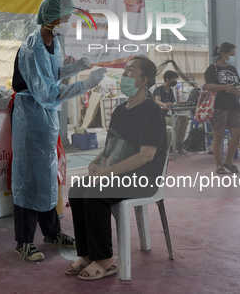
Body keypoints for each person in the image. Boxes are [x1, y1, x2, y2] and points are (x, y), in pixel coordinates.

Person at [11, 0, 108, 261]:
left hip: (46, 118)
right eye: (65, 18)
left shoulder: (52, 41)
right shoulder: (33, 47)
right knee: (29, 179)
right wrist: (86, 84)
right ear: (52, 18)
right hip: (31, 116)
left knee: (47, 177)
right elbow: (46, 93)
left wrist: (74, 68)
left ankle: (52, 233)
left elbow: (50, 74)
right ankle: (24, 241)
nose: (67, 21)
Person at [65, 57, 166, 281]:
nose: (124, 75)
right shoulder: (121, 110)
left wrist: (108, 173)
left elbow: (146, 156)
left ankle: (105, 260)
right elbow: (112, 145)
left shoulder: (152, 111)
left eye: (131, 71)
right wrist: (96, 162)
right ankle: (88, 254)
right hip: (119, 173)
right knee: (77, 191)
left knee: (95, 195)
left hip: (142, 178)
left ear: (142, 81)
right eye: (125, 70)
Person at [204, 42, 240, 174]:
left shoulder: (232, 69)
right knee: (218, 136)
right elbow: (209, 86)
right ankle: (218, 164)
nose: (233, 57)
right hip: (219, 106)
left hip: (234, 105)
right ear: (223, 54)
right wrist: (226, 87)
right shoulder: (212, 69)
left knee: (237, 134)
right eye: (232, 54)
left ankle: (228, 160)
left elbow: (237, 84)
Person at [153, 70, 190, 152]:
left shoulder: (170, 91)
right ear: (168, 79)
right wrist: (165, 105)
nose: (175, 81)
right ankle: (171, 145)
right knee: (176, 121)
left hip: (167, 115)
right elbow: (157, 101)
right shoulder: (159, 89)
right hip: (159, 116)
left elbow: (172, 103)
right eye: (174, 79)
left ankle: (179, 144)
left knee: (185, 119)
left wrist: (181, 103)